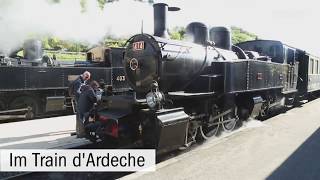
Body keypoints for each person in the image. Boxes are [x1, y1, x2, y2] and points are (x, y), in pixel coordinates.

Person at [72, 71, 91, 138]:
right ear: (85, 76)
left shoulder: (80, 80)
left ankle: (79, 132)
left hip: (79, 101)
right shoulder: (78, 82)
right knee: (80, 117)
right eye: (86, 78)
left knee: (79, 117)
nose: (86, 80)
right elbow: (77, 93)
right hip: (79, 102)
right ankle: (80, 133)